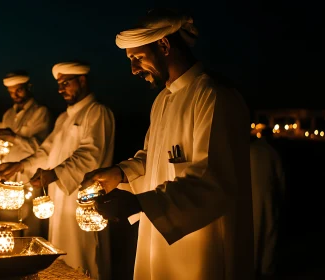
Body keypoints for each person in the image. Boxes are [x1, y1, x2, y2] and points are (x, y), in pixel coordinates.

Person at [81, 9, 254, 280]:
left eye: (137, 58)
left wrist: (140, 203)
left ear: (163, 45)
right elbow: (153, 157)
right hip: (159, 230)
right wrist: (120, 173)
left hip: (202, 241)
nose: (134, 69)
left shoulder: (214, 96)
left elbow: (215, 180)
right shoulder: (162, 101)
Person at [0, 62, 115, 279]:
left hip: (83, 203)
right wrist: (18, 166)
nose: (60, 89)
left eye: (66, 83)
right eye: (59, 84)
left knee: (85, 258)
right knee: (62, 257)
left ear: (83, 80)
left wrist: (55, 173)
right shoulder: (63, 118)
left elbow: (90, 155)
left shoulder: (97, 112)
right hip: (59, 197)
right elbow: (45, 151)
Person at [0, 71, 52, 236]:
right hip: (9, 177)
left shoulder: (40, 112)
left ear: (28, 87)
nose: (14, 95)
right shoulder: (8, 115)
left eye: (19, 90)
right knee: (10, 222)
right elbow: (3, 146)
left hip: (30, 177)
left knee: (31, 225)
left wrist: (14, 137)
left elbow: (42, 149)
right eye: (10, 92)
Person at [250, 127, 285, 279]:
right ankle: (266, 269)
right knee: (269, 233)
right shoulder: (272, 152)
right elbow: (281, 177)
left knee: (253, 232)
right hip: (268, 197)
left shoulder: (249, 150)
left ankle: (252, 267)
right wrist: (282, 197)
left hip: (250, 197)